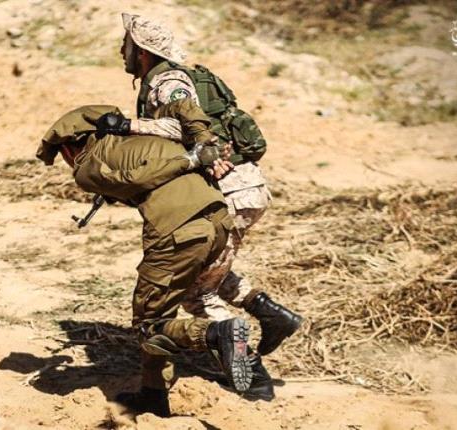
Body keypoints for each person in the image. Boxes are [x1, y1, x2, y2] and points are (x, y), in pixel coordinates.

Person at [94, 12, 302, 361]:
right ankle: (271, 314)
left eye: (126, 44)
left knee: (194, 292)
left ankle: (249, 370)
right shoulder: (158, 82)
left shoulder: (170, 83)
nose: (121, 50)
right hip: (235, 191)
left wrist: (128, 126)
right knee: (204, 272)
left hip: (231, 193)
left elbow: (187, 127)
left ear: (141, 51)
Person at [37, 101, 260, 417]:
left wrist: (190, 158)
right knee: (157, 308)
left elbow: (135, 178)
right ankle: (154, 394)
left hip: (178, 230)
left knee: (148, 325)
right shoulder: (151, 136)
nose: (67, 162)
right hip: (219, 222)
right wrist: (201, 142)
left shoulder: (87, 166)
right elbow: (184, 106)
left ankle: (214, 334)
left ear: (71, 146)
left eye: (63, 155)